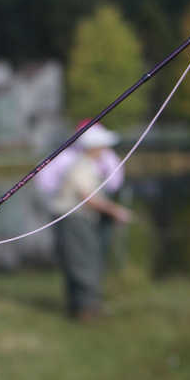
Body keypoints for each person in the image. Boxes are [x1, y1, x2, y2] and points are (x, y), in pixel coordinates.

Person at [49, 123, 132, 320]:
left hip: (78, 219)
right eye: (103, 146)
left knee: (82, 261)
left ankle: (82, 308)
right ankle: (87, 310)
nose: (105, 150)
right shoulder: (81, 166)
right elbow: (88, 198)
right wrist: (115, 211)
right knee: (83, 262)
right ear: (93, 147)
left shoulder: (87, 165)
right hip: (73, 220)